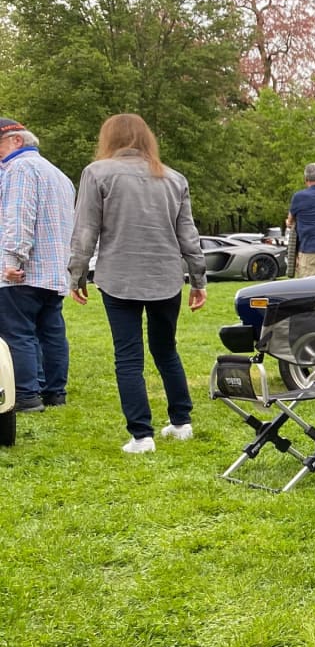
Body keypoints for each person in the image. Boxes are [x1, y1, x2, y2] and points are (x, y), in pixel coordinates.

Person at [67, 114, 206, 454]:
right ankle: (181, 422)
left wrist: (77, 274)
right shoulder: (174, 178)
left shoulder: (96, 173)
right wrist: (198, 279)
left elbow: (86, 230)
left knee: (128, 356)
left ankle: (142, 436)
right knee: (165, 348)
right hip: (166, 278)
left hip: (119, 277)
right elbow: (188, 235)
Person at [0, 120, 75, 412]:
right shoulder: (59, 175)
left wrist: (11, 261)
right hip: (54, 272)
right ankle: (54, 393)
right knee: (52, 333)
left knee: (17, 333)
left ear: (17, 141)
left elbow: (19, 218)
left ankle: (27, 396)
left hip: (23, 271)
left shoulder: (19, 170)